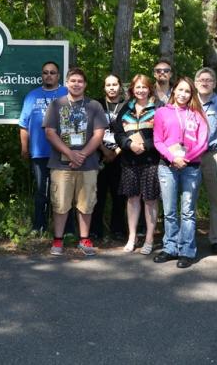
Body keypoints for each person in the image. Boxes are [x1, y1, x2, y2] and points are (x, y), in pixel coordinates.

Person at [43, 67, 107, 256]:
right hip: (61, 164)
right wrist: (70, 154)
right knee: (60, 203)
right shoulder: (56, 105)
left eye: (80, 81)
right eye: (73, 81)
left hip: (88, 164)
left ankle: (84, 239)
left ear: (85, 84)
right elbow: (49, 132)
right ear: (67, 83)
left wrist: (82, 155)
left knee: (86, 203)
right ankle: (58, 240)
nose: (76, 84)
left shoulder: (94, 106)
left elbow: (99, 134)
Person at [153, 76, 209, 268]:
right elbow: (158, 140)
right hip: (167, 166)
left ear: (191, 94)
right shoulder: (161, 112)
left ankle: (186, 250)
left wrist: (186, 158)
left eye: (187, 91)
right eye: (180, 90)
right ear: (174, 91)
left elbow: (203, 142)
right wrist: (172, 157)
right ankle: (170, 247)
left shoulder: (197, 114)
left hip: (190, 167)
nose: (183, 94)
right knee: (169, 211)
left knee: (187, 211)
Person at [112, 74, 162, 254]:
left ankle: (149, 238)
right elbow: (118, 133)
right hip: (129, 160)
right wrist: (129, 144)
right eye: (137, 87)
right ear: (132, 89)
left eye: (144, 87)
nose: (141, 90)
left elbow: (163, 133)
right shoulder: (126, 108)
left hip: (151, 161)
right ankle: (132, 237)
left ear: (150, 88)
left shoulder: (158, 108)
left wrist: (145, 146)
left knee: (150, 199)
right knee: (132, 199)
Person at [18, 61, 68, 234]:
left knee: (64, 192)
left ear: (58, 76)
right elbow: (23, 125)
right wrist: (25, 148)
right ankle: (39, 227)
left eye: (52, 73)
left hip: (64, 152)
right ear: (42, 75)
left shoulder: (67, 93)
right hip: (39, 152)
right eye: (45, 72)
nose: (49, 75)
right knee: (41, 192)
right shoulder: (32, 96)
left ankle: (67, 230)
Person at [194, 67, 217, 255]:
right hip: (190, 157)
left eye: (209, 80)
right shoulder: (188, 102)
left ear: (215, 83)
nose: (205, 82)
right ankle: (187, 238)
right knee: (188, 200)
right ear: (195, 83)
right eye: (201, 79)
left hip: (212, 155)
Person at [90, 74, 126, 241]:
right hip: (99, 154)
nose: (112, 88)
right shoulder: (95, 105)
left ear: (120, 86)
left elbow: (132, 131)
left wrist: (116, 151)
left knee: (119, 195)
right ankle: (95, 230)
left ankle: (118, 229)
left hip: (121, 155)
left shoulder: (127, 106)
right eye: (108, 85)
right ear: (104, 87)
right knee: (98, 195)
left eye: (114, 84)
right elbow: (89, 130)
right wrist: (104, 150)